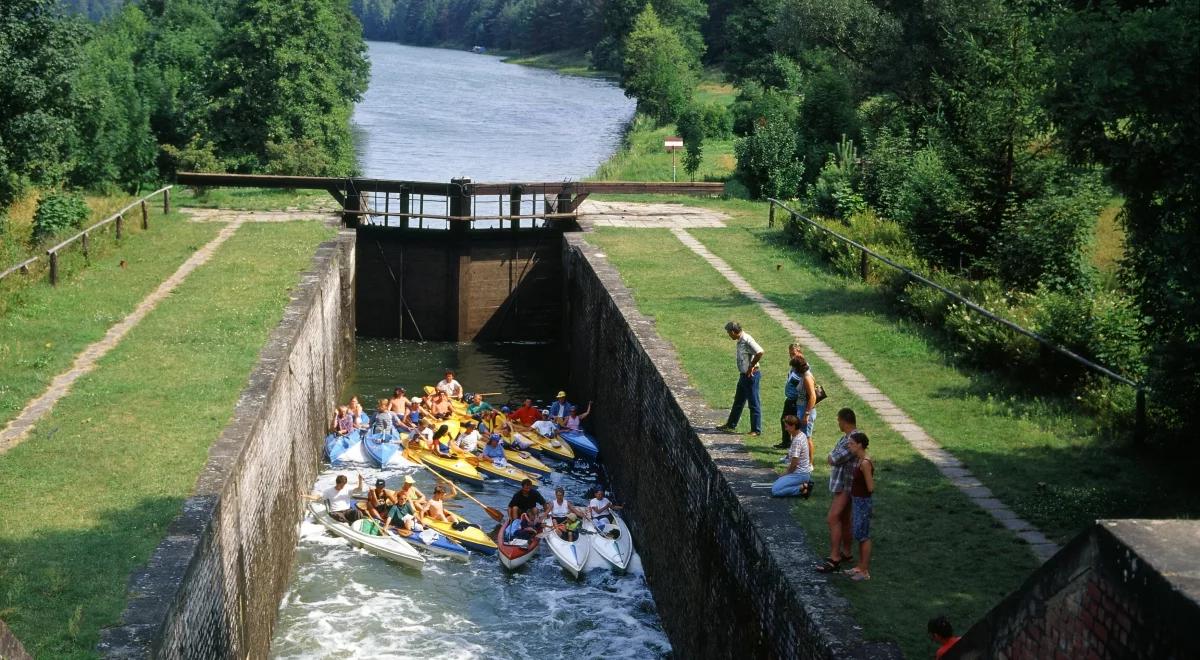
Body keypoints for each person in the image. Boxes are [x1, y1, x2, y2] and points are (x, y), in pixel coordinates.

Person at [817, 409, 859, 573]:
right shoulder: (850, 437)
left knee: (832, 518)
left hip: (845, 486)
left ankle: (834, 558)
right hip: (849, 485)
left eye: (839, 421)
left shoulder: (851, 440)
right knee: (845, 519)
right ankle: (847, 552)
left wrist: (831, 455)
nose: (838, 424)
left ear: (844, 421)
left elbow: (834, 458)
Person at [716, 321, 764, 436]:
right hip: (743, 376)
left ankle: (756, 430)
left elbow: (760, 352)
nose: (729, 335)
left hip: (751, 376)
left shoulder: (747, 340)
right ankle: (731, 424)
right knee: (738, 401)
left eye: (729, 333)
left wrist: (751, 366)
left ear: (733, 331)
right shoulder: (740, 340)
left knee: (753, 403)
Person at [844, 432, 874, 581]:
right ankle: (860, 566)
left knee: (863, 536)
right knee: (859, 534)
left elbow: (870, 487)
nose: (849, 446)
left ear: (860, 445)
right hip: (858, 501)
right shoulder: (860, 460)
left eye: (851, 444)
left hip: (862, 502)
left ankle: (864, 570)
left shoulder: (865, 463)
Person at [776, 352, 818, 449]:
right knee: (799, 436)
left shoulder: (807, 377)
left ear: (798, 368)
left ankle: (808, 463)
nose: (793, 370)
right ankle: (794, 457)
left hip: (805, 410)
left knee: (806, 438)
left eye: (794, 367)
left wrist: (806, 414)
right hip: (800, 408)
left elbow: (813, 397)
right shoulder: (803, 376)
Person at [771, 415, 814, 497]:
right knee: (776, 484)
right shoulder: (801, 435)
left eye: (786, 427)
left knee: (775, 490)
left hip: (799, 474)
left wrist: (785, 474)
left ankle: (801, 489)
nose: (785, 429)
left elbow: (794, 464)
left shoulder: (797, 441)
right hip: (803, 473)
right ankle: (803, 485)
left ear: (793, 426)